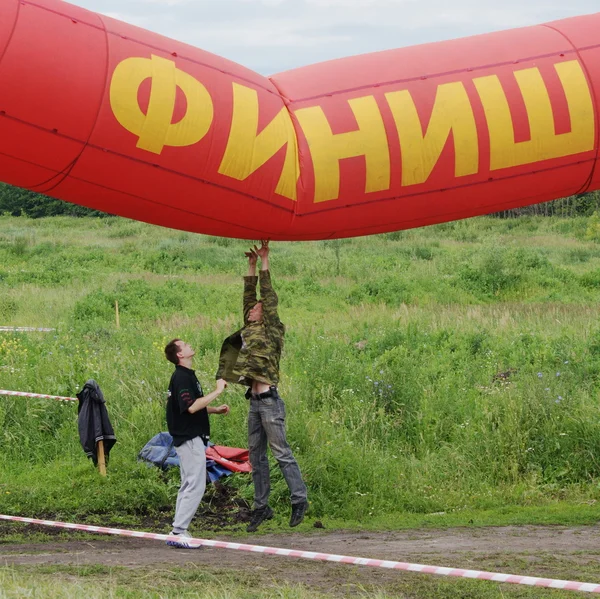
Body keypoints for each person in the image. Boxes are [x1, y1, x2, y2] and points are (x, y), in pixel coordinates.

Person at [217, 240, 308, 532]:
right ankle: (261, 507)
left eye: (258, 307)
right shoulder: (249, 326)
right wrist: (251, 265)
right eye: (253, 307)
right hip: (254, 403)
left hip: (269, 401)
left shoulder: (272, 329)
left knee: (281, 452)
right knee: (256, 456)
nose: (254, 307)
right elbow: (248, 294)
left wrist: (266, 261)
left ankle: (299, 499)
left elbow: (266, 295)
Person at [164, 338, 229, 548]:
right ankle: (178, 531)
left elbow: (188, 407)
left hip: (189, 438)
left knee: (188, 484)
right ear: (180, 355)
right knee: (196, 485)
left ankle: (178, 530)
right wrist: (217, 391)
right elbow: (191, 407)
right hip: (190, 439)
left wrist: (214, 409)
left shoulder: (186, 376)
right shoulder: (181, 377)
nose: (190, 344)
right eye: (185, 345)